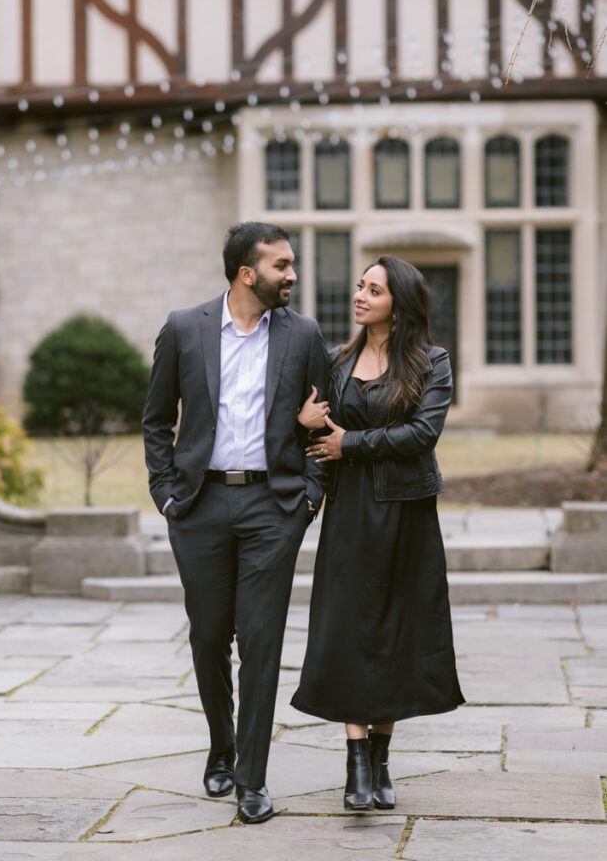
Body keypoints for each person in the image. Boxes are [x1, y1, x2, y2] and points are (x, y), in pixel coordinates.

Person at [142, 222, 329, 824]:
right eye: (281, 266)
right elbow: (155, 420)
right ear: (247, 273)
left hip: (273, 509)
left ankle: (252, 777)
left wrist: (307, 500)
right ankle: (221, 746)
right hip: (199, 507)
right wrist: (166, 495)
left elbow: (324, 421)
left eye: (291, 264)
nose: (292, 275)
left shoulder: (304, 335)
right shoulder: (183, 329)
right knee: (207, 637)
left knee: (262, 641)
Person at [291, 254, 465, 811]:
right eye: (360, 286)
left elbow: (422, 434)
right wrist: (305, 429)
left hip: (406, 510)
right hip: (348, 512)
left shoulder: (431, 363)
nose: (360, 295)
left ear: (400, 303)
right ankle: (355, 765)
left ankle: (382, 758)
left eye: (374, 289)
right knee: (348, 628)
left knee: (394, 628)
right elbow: (314, 431)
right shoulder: (337, 361)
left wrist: (352, 444)